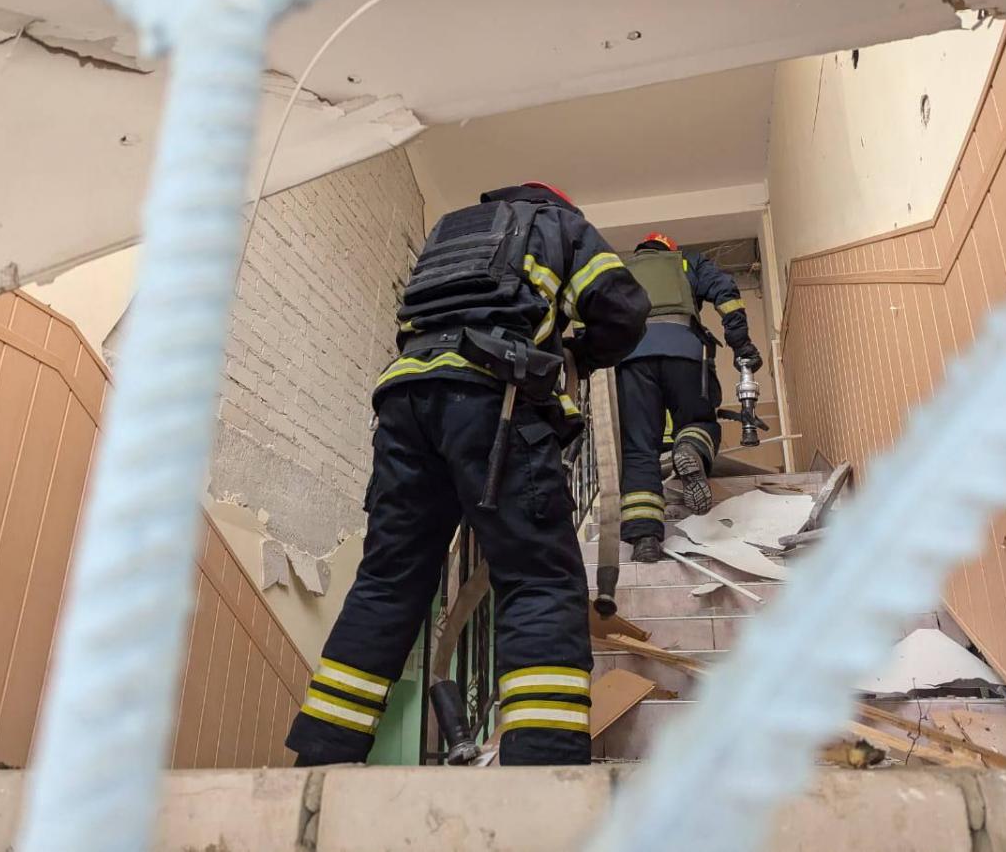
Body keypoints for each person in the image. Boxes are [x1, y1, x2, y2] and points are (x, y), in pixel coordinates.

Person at [286, 182, 649, 767]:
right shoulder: (557, 223)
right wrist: (577, 352)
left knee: (387, 582)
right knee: (537, 579)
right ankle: (544, 765)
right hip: (495, 399)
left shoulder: (450, 229)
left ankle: (322, 757)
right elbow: (624, 309)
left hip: (405, 399)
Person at [616, 232, 762, 563]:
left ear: (640, 251)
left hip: (632, 360)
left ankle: (645, 538)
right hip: (685, 353)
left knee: (639, 447)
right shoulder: (687, 261)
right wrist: (741, 343)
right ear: (669, 249)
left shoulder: (621, 270)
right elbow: (725, 292)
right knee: (698, 422)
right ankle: (691, 448)